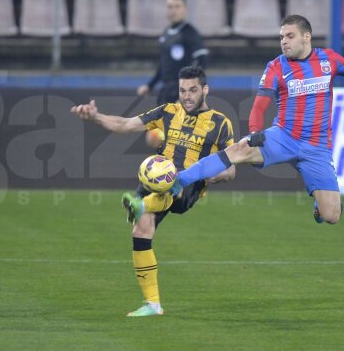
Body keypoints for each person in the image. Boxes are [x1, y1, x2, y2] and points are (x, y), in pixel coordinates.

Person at [167, 15, 344, 225]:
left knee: (332, 216)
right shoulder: (276, 66)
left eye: (290, 36)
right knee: (238, 149)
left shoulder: (329, 60)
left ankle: (320, 205)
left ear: (307, 37)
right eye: (281, 36)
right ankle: (180, 179)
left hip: (317, 147)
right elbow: (260, 104)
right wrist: (256, 131)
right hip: (284, 137)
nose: (284, 41)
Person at [71, 66, 235, 317]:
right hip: (159, 175)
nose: (187, 96)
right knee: (141, 230)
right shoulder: (168, 111)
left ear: (205, 90)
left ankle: (144, 205)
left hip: (189, 183)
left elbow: (231, 169)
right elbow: (125, 124)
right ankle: (153, 304)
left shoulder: (221, 123)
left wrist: (214, 176)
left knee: (170, 185)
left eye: (193, 90)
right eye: (182, 90)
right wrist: (95, 117)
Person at [137, 0, 208, 106]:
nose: (173, 10)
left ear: (185, 9)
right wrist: (150, 85)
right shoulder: (166, 32)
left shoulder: (190, 33)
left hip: (181, 91)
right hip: (166, 90)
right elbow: (163, 65)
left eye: (177, 6)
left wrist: (188, 93)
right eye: (170, 7)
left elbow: (202, 61)